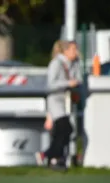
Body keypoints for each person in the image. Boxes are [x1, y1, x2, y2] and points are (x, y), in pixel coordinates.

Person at [36, 40, 82, 170]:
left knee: (63, 131)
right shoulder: (56, 63)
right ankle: (48, 155)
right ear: (65, 51)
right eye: (73, 49)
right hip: (56, 100)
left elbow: (78, 78)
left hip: (67, 100)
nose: (76, 52)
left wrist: (76, 82)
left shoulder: (75, 63)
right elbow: (51, 84)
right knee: (65, 128)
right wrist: (67, 83)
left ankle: (54, 158)